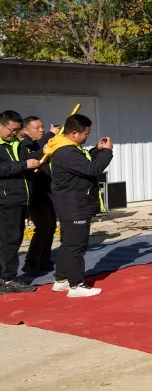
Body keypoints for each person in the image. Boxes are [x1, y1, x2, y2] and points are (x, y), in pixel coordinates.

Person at [44, 114, 113, 298]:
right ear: (73, 133)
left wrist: (97, 150)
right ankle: (76, 285)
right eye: (85, 134)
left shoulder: (67, 147)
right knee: (76, 246)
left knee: (68, 244)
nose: (87, 137)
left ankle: (61, 280)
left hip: (70, 202)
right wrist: (107, 152)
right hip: (75, 204)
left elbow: (85, 163)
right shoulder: (66, 152)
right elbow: (92, 169)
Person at [0, 111, 40, 293]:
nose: (14, 133)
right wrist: (24, 165)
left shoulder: (17, 144)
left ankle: (5, 276)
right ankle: (8, 278)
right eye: (12, 130)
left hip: (20, 198)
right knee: (10, 239)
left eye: (17, 130)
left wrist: (37, 160)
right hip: (6, 199)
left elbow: (26, 161)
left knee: (12, 238)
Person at [20, 116, 58, 278]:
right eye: (37, 128)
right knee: (42, 227)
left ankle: (44, 258)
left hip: (48, 191)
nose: (41, 130)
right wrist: (50, 135)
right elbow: (35, 154)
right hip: (35, 194)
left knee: (51, 226)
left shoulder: (42, 143)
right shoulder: (25, 145)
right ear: (25, 130)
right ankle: (31, 262)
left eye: (43, 127)